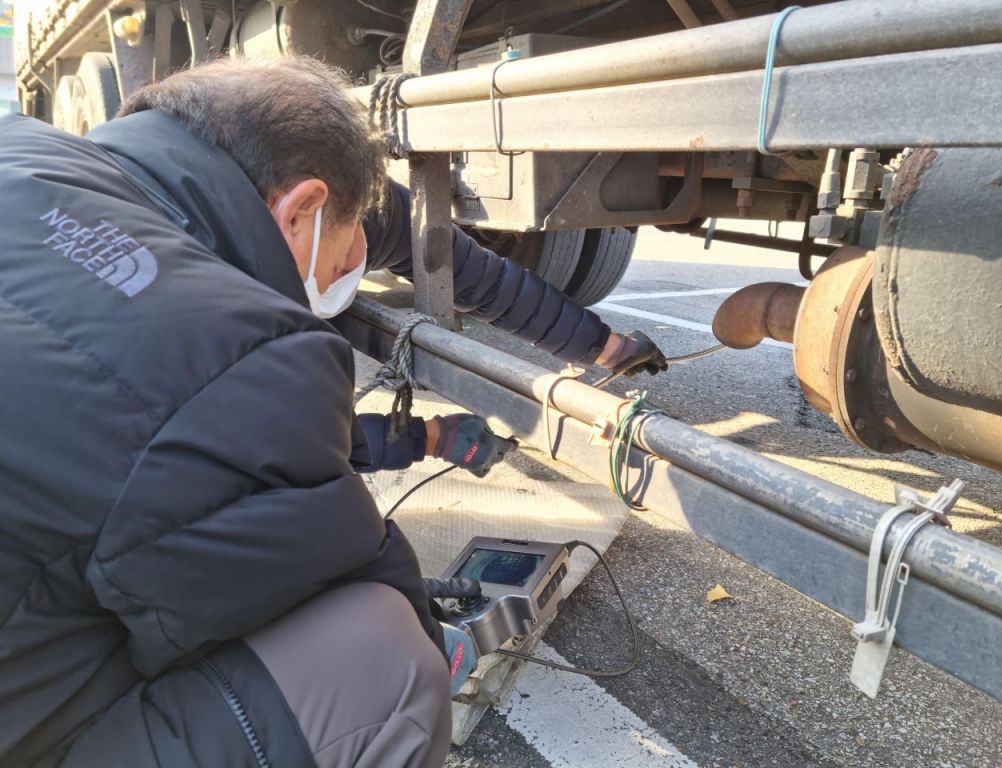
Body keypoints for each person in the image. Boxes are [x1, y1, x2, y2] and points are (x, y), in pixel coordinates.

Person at [0, 56, 662, 768]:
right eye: (348, 254)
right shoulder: (240, 354)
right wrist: (439, 637)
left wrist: (587, 352)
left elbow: (195, 457)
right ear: (301, 211)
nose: (349, 271)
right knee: (385, 662)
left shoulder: (21, 145)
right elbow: (335, 561)